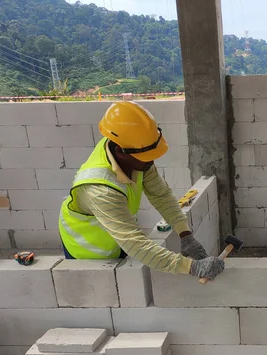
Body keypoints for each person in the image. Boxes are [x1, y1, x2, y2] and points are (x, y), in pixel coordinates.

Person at [58, 101, 224, 281]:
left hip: (117, 237)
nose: (150, 162)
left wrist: (185, 235)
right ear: (121, 152)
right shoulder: (100, 189)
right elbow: (134, 244)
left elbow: (161, 195)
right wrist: (192, 267)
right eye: (145, 158)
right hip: (89, 251)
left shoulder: (130, 150)